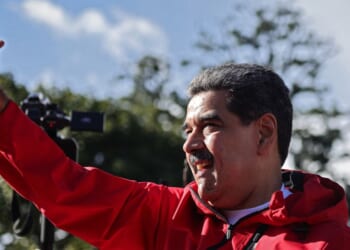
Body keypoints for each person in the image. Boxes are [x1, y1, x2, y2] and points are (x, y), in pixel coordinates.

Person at [1, 54, 350, 249]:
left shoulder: (329, 243)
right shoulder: (164, 214)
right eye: (188, 130)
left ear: (263, 134)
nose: (189, 144)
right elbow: (64, 187)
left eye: (210, 126)